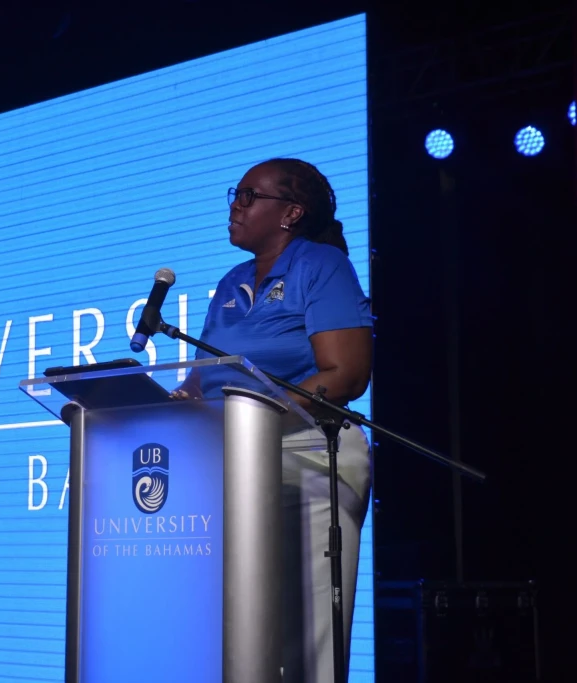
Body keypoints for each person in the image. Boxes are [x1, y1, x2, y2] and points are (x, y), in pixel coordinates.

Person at [172, 158, 373, 683]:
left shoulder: (321, 266)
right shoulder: (231, 282)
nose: (234, 206)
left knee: (305, 640)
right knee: (233, 630)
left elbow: (345, 373)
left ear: (291, 213)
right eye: (234, 194)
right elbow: (202, 379)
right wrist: (180, 402)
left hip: (309, 454)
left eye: (247, 196)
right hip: (235, 461)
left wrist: (251, 416)